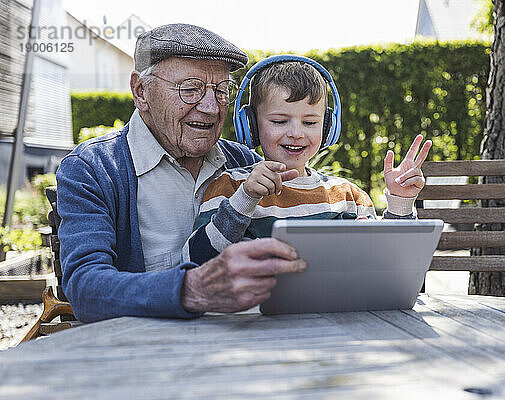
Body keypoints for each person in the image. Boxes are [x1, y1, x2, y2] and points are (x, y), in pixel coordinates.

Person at [56, 24, 308, 323]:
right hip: (144, 354)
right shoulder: (93, 168)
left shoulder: (244, 163)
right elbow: (86, 290)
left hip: (242, 345)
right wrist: (192, 289)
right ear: (141, 92)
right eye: (191, 89)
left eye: (222, 91)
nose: (212, 108)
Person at [183, 57, 432, 265]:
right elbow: (196, 262)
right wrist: (246, 198)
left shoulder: (348, 197)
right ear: (251, 126)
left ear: (328, 126)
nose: (296, 133)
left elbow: (387, 265)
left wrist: (401, 203)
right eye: (279, 121)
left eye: (310, 122)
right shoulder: (230, 188)